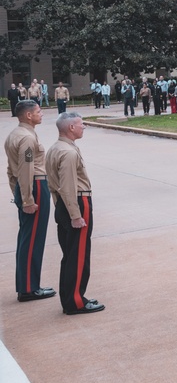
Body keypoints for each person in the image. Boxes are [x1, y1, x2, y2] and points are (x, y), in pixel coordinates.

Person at [46, 112, 103, 314]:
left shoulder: (56, 148)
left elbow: (54, 186)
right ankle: (75, 302)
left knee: (70, 254)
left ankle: (70, 298)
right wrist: (75, 215)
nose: (83, 127)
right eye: (81, 124)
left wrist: (61, 207)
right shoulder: (68, 152)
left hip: (65, 204)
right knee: (78, 255)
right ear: (71, 127)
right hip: (77, 203)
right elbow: (68, 186)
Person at [5, 101, 56, 302]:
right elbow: (26, 168)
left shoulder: (15, 135)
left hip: (25, 186)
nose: (41, 114)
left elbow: (12, 170)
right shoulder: (26, 138)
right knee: (33, 238)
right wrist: (27, 199)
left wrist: (17, 192)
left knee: (27, 237)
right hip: (34, 186)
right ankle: (28, 288)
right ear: (28, 115)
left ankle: (28, 285)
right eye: (38, 111)